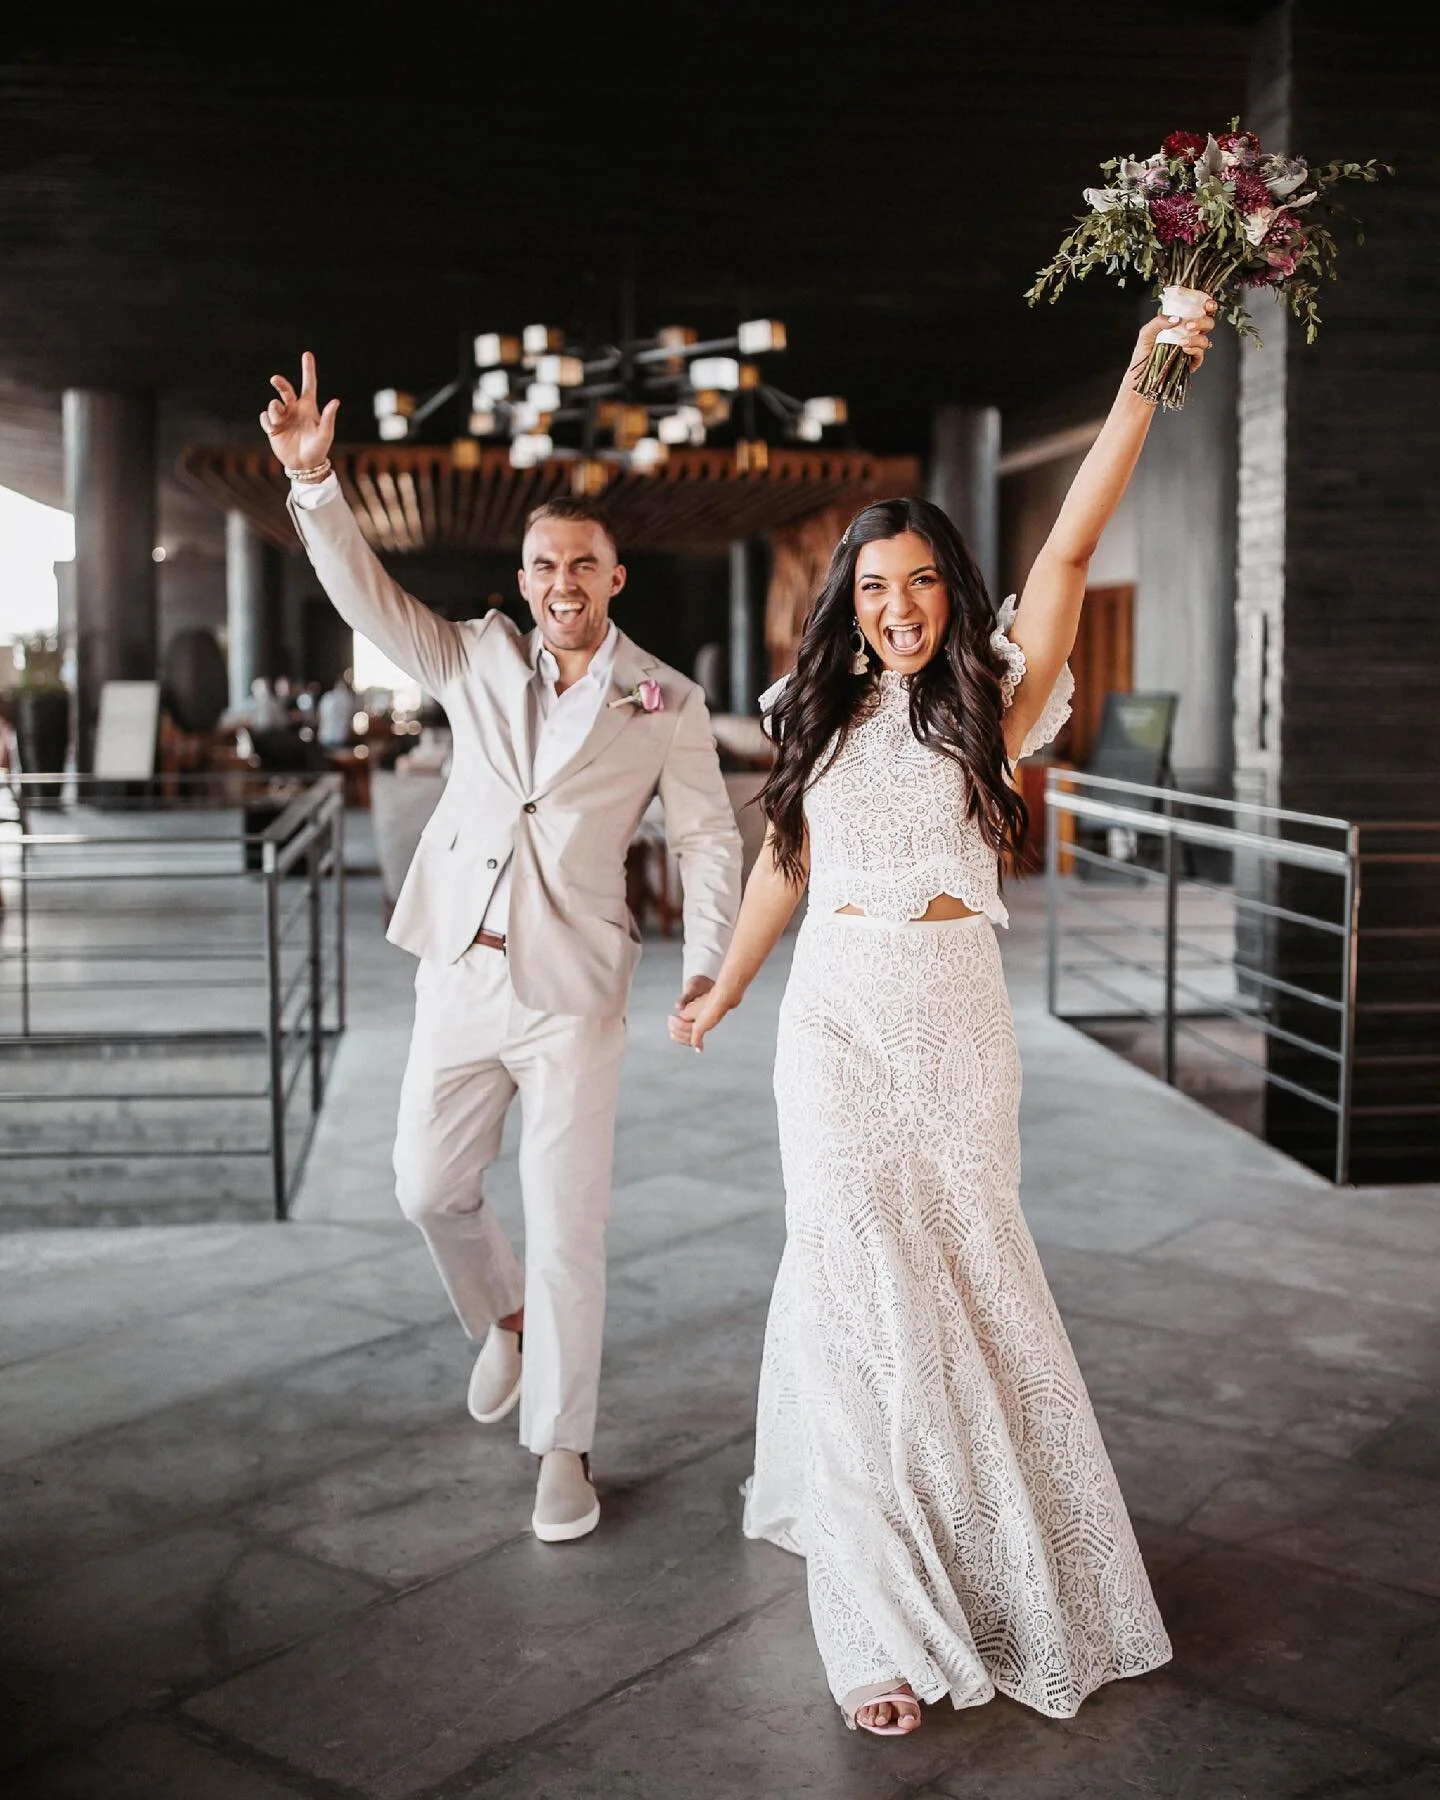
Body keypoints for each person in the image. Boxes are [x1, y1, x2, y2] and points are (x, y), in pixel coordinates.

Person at [672, 300, 1216, 1733]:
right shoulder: (816, 715)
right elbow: (788, 863)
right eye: (873, 591)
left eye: (917, 584)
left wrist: (1151, 370)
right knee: (855, 1300)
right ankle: (873, 1623)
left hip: (957, 1031)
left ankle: (979, 1559)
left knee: (966, 1286)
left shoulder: (995, 692)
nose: (897, 608)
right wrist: (726, 982)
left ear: (946, 589)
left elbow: (1074, 544)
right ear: (845, 601)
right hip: (833, 1027)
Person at [260, 354, 743, 1543]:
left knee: (570, 1227)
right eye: (543, 564)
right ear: (522, 581)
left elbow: (711, 841)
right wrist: (317, 483)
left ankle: (563, 1452)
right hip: (459, 973)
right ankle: (509, 1323)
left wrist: (710, 963)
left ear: (614, 577)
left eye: (583, 561)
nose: (562, 579)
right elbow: (367, 597)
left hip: (575, 994)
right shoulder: (471, 655)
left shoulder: (665, 704)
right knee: (426, 1185)